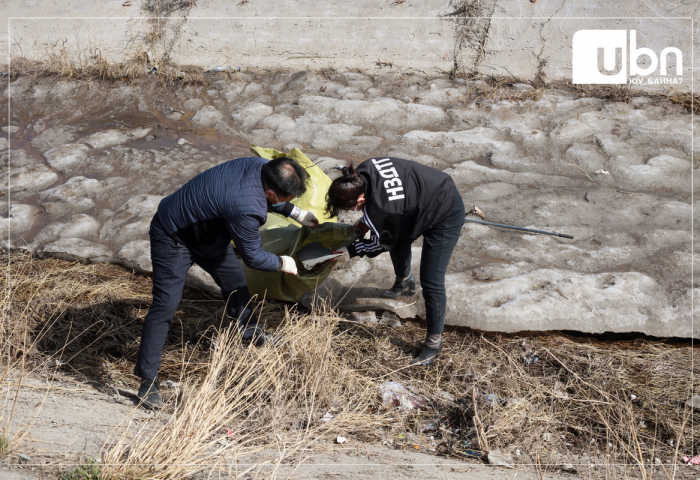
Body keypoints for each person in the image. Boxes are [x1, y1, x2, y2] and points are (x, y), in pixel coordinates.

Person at [135, 156, 319, 409]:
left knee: (235, 282)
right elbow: (253, 257)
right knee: (165, 305)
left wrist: (296, 213)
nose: (291, 202)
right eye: (289, 199)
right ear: (270, 191)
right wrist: (283, 263)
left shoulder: (260, 165)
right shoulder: (246, 207)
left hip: (209, 232)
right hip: (174, 236)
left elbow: (267, 197)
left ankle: (250, 331)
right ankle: (147, 379)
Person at [327, 157, 465, 366]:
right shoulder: (363, 170)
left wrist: (351, 250)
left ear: (361, 201)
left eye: (353, 209)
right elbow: (388, 221)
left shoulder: (385, 209)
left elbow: (381, 243)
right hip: (420, 198)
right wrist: (366, 222)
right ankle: (404, 280)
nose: (353, 213)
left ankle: (434, 344)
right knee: (398, 238)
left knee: (432, 281)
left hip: (444, 210)